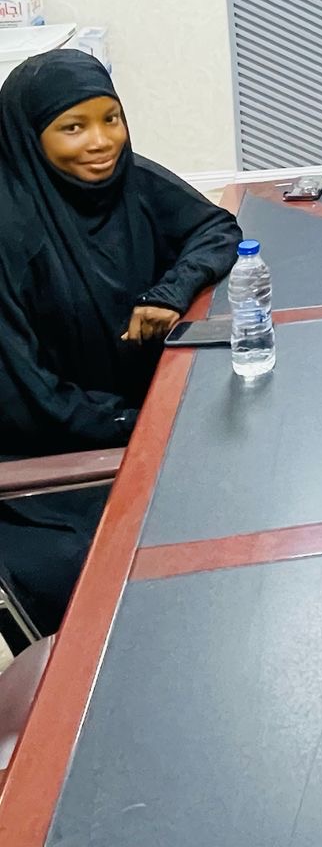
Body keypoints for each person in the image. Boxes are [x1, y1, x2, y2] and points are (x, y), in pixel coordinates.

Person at [0, 50, 241, 631]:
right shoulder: (10, 229)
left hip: (137, 421)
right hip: (48, 457)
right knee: (125, 575)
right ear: (29, 138)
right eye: (73, 128)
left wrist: (170, 291)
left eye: (111, 118)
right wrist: (141, 424)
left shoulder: (129, 180)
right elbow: (28, 399)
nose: (101, 142)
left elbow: (215, 227)